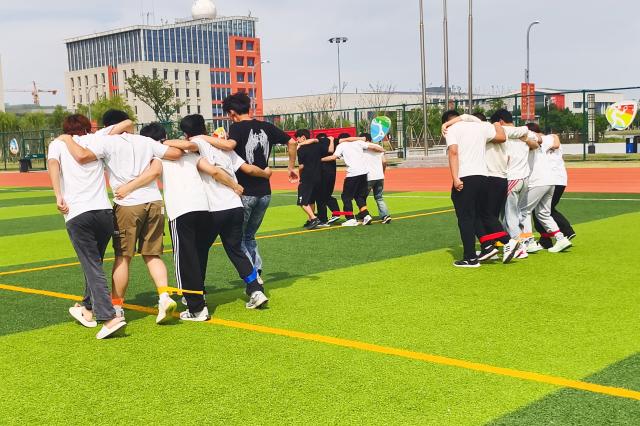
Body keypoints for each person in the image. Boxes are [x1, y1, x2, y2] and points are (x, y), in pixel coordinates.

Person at [59, 110, 184, 325]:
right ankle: (164, 296)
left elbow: (82, 156)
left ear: (109, 126)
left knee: (123, 257)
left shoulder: (107, 142)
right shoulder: (145, 141)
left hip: (127, 204)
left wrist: (67, 139)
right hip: (154, 201)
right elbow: (175, 154)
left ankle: (117, 307)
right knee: (152, 254)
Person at [162, 115, 272, 310]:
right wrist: (265, 173)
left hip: (214, 209)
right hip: (235, 206)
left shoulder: (198, 142)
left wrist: (162, 142)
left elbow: (188, 146)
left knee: (199, 250)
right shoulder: (223, 149)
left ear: (186, 133)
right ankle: (255, 289)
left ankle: (196, 293)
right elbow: (247, 168)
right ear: (204, 127)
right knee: (236, 249)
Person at [47, 114, 126, 339]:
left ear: (66, 128)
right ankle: (88, 308)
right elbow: (125, 123)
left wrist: (58, 195)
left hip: (78, 213)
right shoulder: (96, 139)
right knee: (94, 262)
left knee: (92, 266)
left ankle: (109, 317)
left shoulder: (58, 143)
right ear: (86, 127)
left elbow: (53, 166)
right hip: (104, 212)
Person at [442, 111, 539, 261]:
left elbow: (453, 152)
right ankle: (488, 246)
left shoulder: (466, 130)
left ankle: (510, 243)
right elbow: (518, 134)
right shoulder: (484, 128)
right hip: (491, 177)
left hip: (488, 177)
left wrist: (455, 178)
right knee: (482, 214)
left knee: (486, 215)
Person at [223, 92, 298, 284]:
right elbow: (292, 141)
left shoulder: (236, 128)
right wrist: (291, 167)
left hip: (245, 191)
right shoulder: (267, 127)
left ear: (232, 112)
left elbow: (229, 147)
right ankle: (256, 270)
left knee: (238, 238)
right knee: (249, 236)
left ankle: (253, 276)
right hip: (265, 192)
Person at [519, 123, 573, 253]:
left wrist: (525, 137)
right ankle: (560, 239)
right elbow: (554, 140)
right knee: (543, 213)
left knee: (523, 210)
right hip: (551, 181)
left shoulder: (525, 141)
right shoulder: (546, 139)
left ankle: (529, 241)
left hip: (537, 181)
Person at [491, 109, 541, 248]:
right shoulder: (524, 131)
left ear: (500, 121)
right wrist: (526, 138)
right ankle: (525, 241)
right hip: (524, 178)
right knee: (518, 212)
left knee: (510, 215)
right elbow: (539, 140)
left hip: (512, 177)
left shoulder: (502, 131)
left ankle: (518, 246)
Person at [321, 136, 384, 226]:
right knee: (359, 196)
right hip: (364, 173)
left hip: (353, 174)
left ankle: (350, 218)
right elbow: (373, 147)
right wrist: (382, 150)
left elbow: (333, 157)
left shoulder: (341, 145)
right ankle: (366, 215)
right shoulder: (358, 143)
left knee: (346, 197)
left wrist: (320, 160)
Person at [294, 129, 324, 230]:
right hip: (318, 177)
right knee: (311, 200)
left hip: (307, 177)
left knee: (302, 201)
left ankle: (314, 218)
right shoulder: (317, 146)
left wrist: (299, 176)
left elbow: (301, 166)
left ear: (303, 137)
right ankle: (310, 219)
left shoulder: (301, 149)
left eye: (298, 138)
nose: (297, 141)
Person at [361, 132, 392, 224]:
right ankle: (385, 216)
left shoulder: (362, 148)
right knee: (379, 197)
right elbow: (384, 162)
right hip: (379, 176)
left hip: (368, 176)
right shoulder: (378, 147)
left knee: (361, 197)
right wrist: (383, 172)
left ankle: (365, 215)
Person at [315, 133, 342, 226]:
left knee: (320, 197)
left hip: (323, 174)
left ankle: (324, 218)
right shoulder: (332, 144)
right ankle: (334, 213)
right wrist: (331, 140)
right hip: (331, 174)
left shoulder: (318, 147)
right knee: (326, 195)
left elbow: (330, 151)